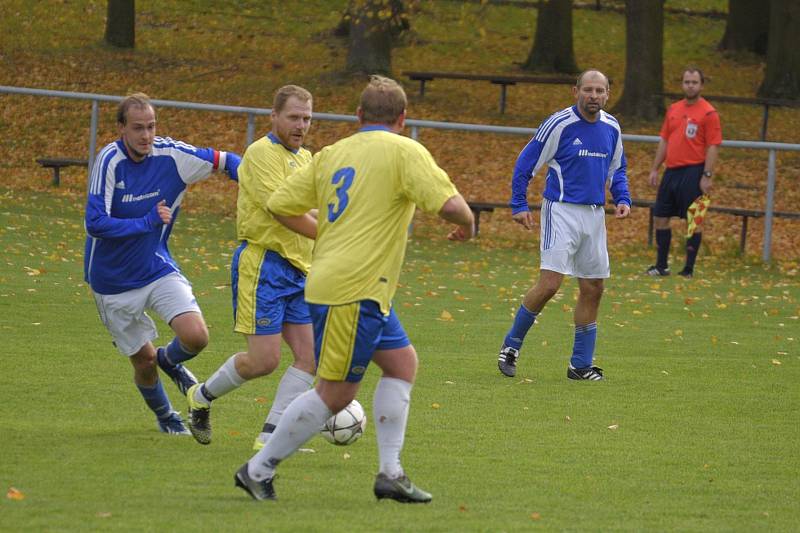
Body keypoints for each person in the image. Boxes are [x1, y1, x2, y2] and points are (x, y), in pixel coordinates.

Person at [233, 75, 475, 502]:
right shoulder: (406, 150)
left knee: (402, 364)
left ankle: (390, 473)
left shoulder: (332, 153)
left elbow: (279, 204)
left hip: (356, 287)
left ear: (359, 115)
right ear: (403, 118)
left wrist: (324, 235)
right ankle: (258, 468)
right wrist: (468, 226)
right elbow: (453, 208)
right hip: (353, 290)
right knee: (335, 392)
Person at [84, 93, 241, 434]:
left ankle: (170, 361)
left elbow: (228, 161)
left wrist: (268, 188)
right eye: (138, 128)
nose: (146, 135)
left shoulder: (172, 155)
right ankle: (166, 416)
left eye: (151, 127)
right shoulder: (109, 160)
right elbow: (94, 222)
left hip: (154, 266)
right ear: (121, 128)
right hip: (111, 281)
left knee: (196, 336)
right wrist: (147, 222)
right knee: (143, 361)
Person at [185, 85, 317, 447]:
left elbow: (311, 210)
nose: (301, 125)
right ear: (273, 117)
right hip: (264, 266)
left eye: (306, 118)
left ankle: (271, 437)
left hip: (299, 270)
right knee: (264, 361)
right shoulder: (260, 154)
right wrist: (329, 233)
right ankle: (201, 396)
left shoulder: (307, 159)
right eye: (293, 117)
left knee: (310, 357)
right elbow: (283, 210)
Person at [496, 69, 630, 381]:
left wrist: (622, 197)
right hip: (561, 211)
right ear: (576, 91)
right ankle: (511, 346)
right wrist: (518, 204)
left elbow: (617, 168)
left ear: (608, 94)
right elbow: (525, 163)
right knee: (550, 285)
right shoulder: (559, 124)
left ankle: (580, 365)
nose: (593, 96)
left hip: (594, 215)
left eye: (600, 91)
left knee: (593, 287)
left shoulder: (612, 127)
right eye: (588, 90)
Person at [646, 67, 722, 278]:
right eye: (687, 82)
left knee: (694, 220)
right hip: (671, 171)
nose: (690, 85)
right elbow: (665, 139)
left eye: (694, 82)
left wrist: (707, 175)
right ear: (682, 84)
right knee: (661, 216)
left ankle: (688, 269)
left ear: (701, 85)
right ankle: (661, 266)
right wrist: (655, 168)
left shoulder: (708, 113)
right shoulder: (673, 109)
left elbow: (713, 146)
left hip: (694, 171)